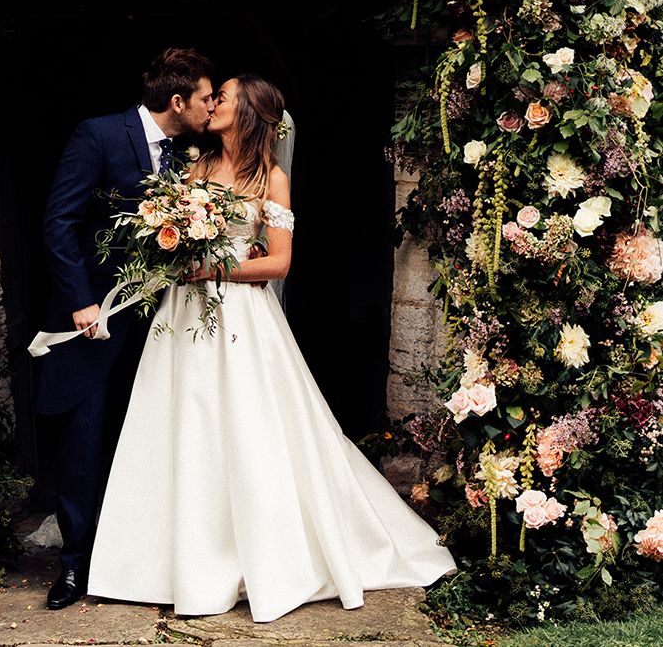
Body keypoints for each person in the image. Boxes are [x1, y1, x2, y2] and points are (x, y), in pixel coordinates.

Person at [86, 74, 456, 622]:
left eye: (224, 97)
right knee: (184, 422)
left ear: (249, 113)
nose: (213, 104)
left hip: (238, 317)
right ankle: (169, 559)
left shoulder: (272, 179)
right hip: (186, 312)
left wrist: (213, 267)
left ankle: (261, 553)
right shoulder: (195, 166)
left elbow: (279, 262)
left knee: (249, 427)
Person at [35, 46, 215, 610]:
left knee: (149, 442)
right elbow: (59, 222)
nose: (212, 108)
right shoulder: (100, 135)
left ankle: (139, 560)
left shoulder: (193, 154)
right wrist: (82, 304)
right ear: (179, 100)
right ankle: (73, 568)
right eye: (206, 98)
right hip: (99, 320)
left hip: (164, 323)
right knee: (85, 442)